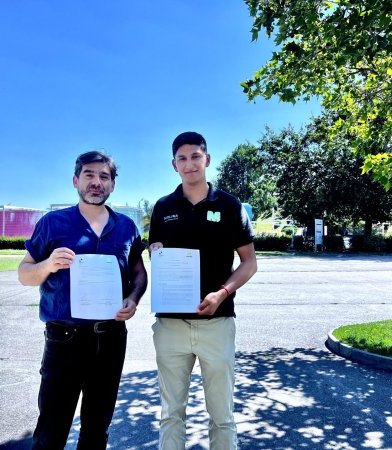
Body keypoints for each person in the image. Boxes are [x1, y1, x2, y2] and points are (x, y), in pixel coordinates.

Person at [18, 150, 148, 450]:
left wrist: (133, 298)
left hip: (111, 338)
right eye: (89, 175)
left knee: (97, 428)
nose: (96, 182)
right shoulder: (53, 223)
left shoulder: (126, 227)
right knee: (51, 429)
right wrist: (48, 265)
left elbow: (138, 272)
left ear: (112, 184)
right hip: (65, 338)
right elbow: (24, 273)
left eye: (104, 176)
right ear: (76, 180)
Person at [149, 131, 257, 449]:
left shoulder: (229, 205)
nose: (189, 164)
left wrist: (222, 293)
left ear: (207, 159)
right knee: (171, 414)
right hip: (171, 325)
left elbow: (249, 263)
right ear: (174, 165)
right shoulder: (163, 207)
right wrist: (155, 252)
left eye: (195, 156)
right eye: (182, 158)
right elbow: (157, 253)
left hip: (217, 324)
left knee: (222, 415)